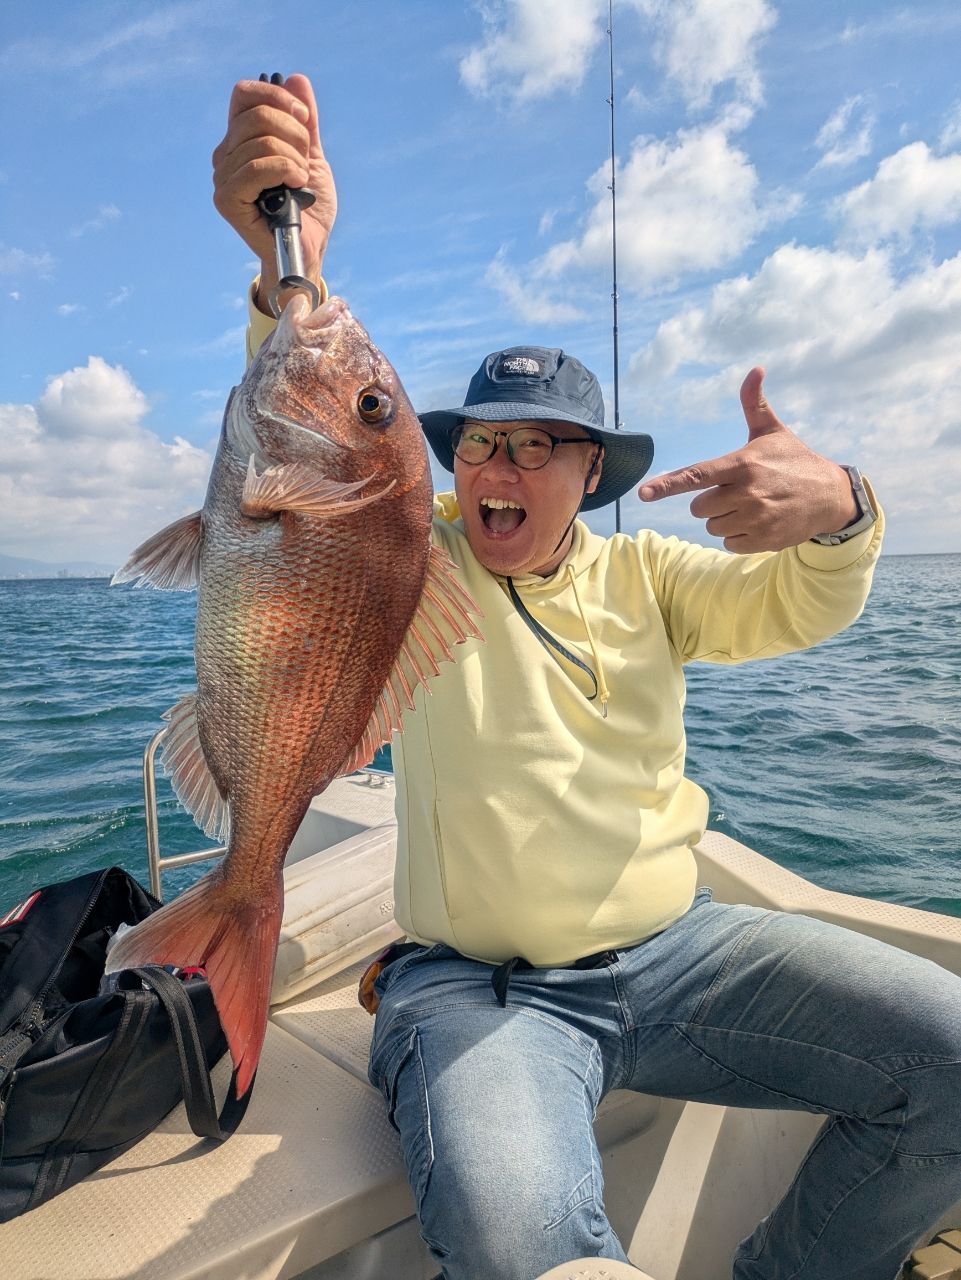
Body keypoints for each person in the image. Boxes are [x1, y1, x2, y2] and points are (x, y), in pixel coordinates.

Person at [212, 75, 961, 1280]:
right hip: (476, 991)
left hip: (678, 954)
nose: (496, 463)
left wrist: (846, 504)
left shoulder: (653, 578)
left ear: (592, 474)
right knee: (519, 1244)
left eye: (534, 443)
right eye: (478, 443)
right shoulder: (409, 555)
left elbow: (806, 598)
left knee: (949, 1051)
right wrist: (283, 272)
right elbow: (308, 460)